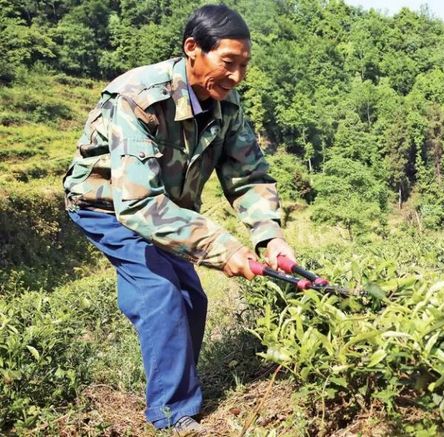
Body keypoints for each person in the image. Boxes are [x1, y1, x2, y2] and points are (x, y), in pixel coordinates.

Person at [62, 4, 294, 432]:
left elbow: (247, 175)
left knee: (192, 299)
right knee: (160, 294)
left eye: (244, 65)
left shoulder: (226, 103)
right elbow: (136, 204)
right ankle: (171, 415)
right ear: (192, 49)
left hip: (165, 208)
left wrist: (269, 237)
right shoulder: (138, 96)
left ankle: (177, 387)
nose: (237, 76)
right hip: (106, 205)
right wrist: (223, 247)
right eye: (228, 63)